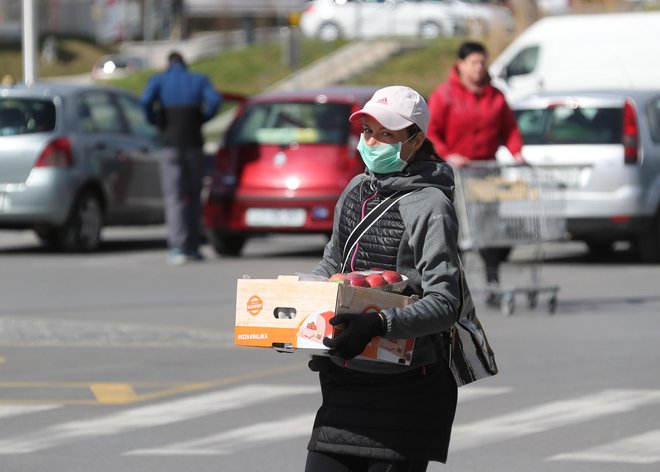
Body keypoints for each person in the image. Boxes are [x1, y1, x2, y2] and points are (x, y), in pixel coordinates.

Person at [305, 86, 463, 472]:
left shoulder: (430, 205)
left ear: (415, 141)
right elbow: (331, 264)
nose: (371, 142)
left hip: (406, 389)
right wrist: (297, 312)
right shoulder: (356, 190)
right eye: (367, 132)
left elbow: (445, 304)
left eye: (386, 135)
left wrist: (378, 323)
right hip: (345, 380)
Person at [427, 40, 524, 304]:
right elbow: (431, 132)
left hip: (486, 174)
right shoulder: (444, 95)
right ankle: (451, 288)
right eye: (474, 62)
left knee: (491, 230)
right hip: (454, 176)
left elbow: (510, 130)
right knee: (454, 232)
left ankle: (493, 281)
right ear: (461, 65)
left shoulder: (496, 96)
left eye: (483, 62)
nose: (479, 67)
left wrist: (517, 152)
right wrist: (448, 154)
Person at [141, 51, 222, 265]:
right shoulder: (198, 80)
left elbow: (145, 101)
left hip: (170, 145)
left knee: (174, 197)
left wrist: (157, 120)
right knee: (194, 196)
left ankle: (178, 246)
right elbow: (215, 100)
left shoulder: (159, 80)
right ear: (184, 63)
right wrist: (202, 119)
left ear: (168, 64)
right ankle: (194, 246)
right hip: (195, 144)